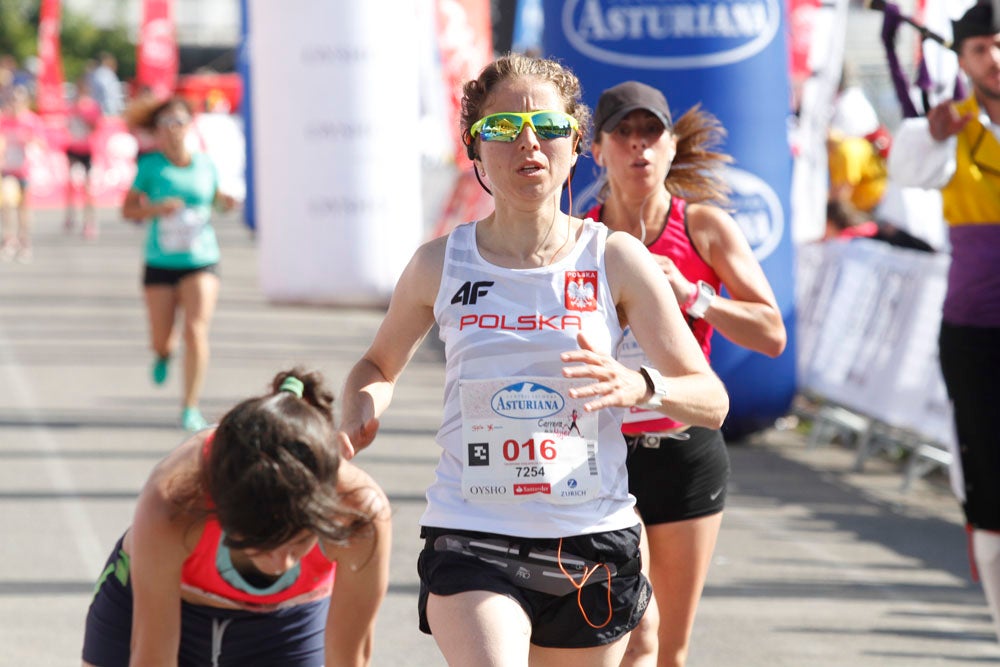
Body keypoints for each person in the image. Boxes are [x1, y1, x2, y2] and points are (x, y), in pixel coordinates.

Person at [337, 53, 729, 666]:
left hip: (591, 541)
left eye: (547, 129)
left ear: (575, 145)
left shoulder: (615, 259)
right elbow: (377, 367)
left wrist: (640, 386)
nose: (528, 144)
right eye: (502, 129)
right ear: (476, 147)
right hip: (472, 534)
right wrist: (355, 410)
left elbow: (710, 398)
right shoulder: (439, 264)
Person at [585, 81, 786, 667]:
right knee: (620, 633)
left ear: (672, 147)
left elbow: (771, 333)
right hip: (604, 455)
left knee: (667, 648)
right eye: (623, 133)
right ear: (598, 150)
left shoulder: (703, 227)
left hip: (684, 449)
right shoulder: (582, 237)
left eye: (651, 133)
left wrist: (693, 296)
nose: (638, 147)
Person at [81, 367, 392, 666]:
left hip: (284, 624)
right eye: (263, 544)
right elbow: (152, 658)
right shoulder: (174, 503)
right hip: (172, 600)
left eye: (299, 543)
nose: (282, 563)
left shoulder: (358, 514)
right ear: (222, 511)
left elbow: (349, 662)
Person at [887, 1, 1000, 642]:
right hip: (978, 336)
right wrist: (936, 126)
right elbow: (906, 166)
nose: (996, 60)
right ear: (962, 60)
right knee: (987, 493)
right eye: (982, 48)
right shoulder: (952, 129)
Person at [121, 97, 236, 431]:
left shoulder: (205, 164)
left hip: (201, 260)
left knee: (196, 330)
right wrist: (155, 210)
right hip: (160, 261)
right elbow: (127, 210)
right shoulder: (150, 167)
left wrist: (226, 203)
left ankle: (190, 406)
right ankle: (162, 354)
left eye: (179, 122)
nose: (173, 129)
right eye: (166, 123)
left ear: (189, 126)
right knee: (163, 338)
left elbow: (217, 202)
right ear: (156, 131)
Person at [0, 85, 44, 263]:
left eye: (17, 100)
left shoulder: (31, 121)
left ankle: (24, 241)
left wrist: (30, 141)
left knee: (23, 208)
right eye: (12, 100)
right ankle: (9, 239)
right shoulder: (4, 120)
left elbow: (41, 143)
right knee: (7, 204)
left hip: (24, 169)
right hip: (7, 169)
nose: (14, 104)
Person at [64, 75, 102, 239]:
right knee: (71, 183)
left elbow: (95, 127)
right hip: (73, 148)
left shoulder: (92, 107)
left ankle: (90, 222)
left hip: (87, 150)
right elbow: (67, 127)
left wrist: (84, 116)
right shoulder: (70, 107)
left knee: (88, 188)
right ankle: (70, 214)